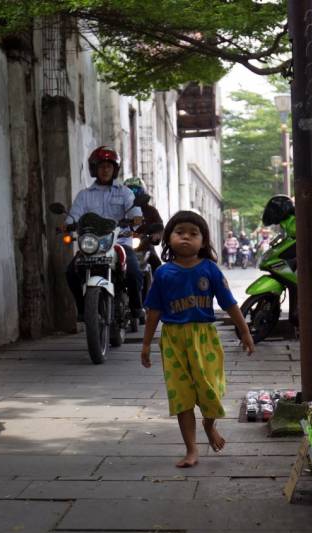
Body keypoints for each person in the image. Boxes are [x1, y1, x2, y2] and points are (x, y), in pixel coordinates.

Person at [140, 211, 255, 468]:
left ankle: (209, 423)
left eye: (193, 234)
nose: (186, 238)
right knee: (182, 396)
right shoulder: (163, 274)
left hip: (204, 339)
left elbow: (229, 304)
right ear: (168, 238)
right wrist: (146, 344)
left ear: (203, 242)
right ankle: (191, 450)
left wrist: (245, 331)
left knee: (209, 390)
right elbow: (154, 312)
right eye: (180, 232)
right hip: (173, 341)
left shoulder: (209, 270)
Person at [65, 146, 143, 320]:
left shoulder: (125, 192)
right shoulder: (84, 195)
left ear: (115, 169)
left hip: (119, 243)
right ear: (94, 169)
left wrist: (136, 218)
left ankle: (137, 307)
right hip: (92, 245)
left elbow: (134, 211)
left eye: (109, 166)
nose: (105, 170)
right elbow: (74, 216)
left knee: (134, 272)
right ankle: (83, 310)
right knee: (71, 272)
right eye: (101, 166)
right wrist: (68, 224)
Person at [124, 177, 163, 272]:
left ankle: (158, 284)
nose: (132, 193)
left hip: (144, 245)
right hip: (123, 244)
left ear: (142, 192)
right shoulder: (118, 210)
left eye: (135, 190)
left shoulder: (151, 211)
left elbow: (159, 225)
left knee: (156, 262)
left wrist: (156, 235)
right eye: (128, 190)